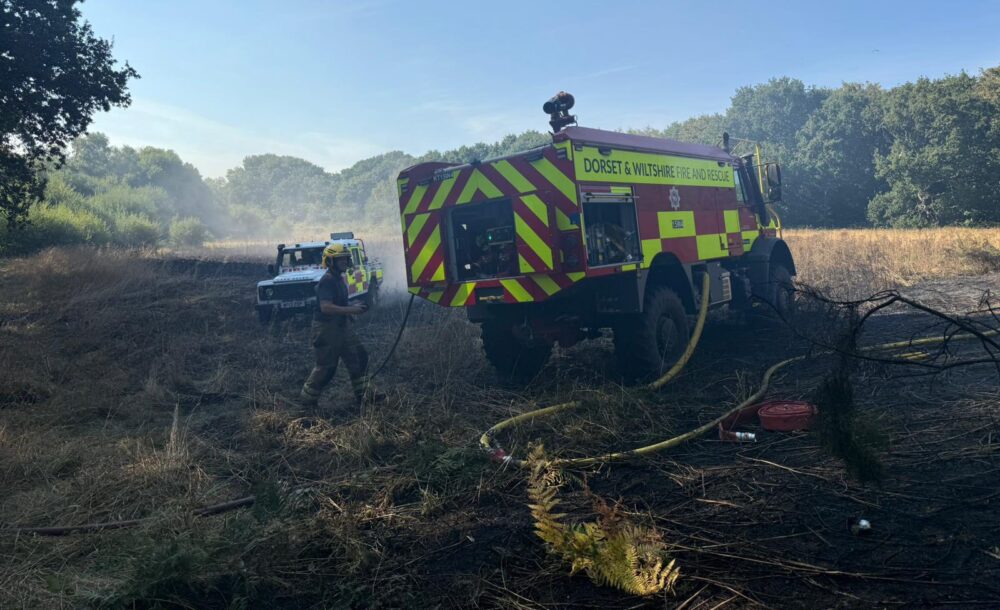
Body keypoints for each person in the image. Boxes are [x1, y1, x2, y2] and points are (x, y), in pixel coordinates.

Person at [299, 243, 380, 408]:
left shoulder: (339, 279)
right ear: (329, 262)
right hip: (326, 329)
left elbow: (338, 303)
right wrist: (351, 310)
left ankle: (365, 396)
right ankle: (307, 402)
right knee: (326, 367)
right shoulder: (327, 281)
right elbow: (326, 307)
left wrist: (353, 305)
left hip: (342, 327)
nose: (344, 262)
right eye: (340, 259)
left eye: (345, 258)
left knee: (359, 356)